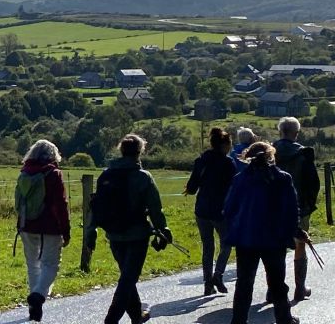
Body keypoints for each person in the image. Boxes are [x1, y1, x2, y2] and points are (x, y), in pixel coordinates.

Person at [222, 142, 304, 324]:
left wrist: (236, 227)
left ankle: (238, 321)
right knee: (277, 283)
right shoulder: (283, 179)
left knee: (244, 283)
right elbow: (292, 210)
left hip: (246, 239)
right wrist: (295, 231)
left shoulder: (240, 179)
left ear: (247, 157)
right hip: (275, 240)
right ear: (271, 156)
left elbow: (228, 209)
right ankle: (284, 319)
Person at [92, 134, 169, 324]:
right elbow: (155, 208)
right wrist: (163, 229)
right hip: (137, 234)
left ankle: (137, 316)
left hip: (114, 234)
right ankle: (111, 319)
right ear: (140, 152)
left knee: (127, 276)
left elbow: (96, 205)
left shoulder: (106, 174)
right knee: (128, 279)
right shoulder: (143, 177)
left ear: (121, 151)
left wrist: (90, 230)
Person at [15, 140, 71, 322]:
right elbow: (60, 204)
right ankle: (38, 296)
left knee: (32, 264)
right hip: (49, 226)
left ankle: (34, 307)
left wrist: (20, 224)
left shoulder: (24, 173)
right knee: (51, 264)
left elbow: (20, 202)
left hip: (27, 225)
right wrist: (66, 229)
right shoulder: (53, 174)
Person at [183, 128, 237, 295]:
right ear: (225, 145)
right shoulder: (228, 163)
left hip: (202, 209)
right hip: (220, 210)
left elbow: (192, 186)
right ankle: (218, 274)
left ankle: (207, 282)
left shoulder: (201, 160)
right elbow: (233, 188)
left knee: (208, 246)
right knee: (226, 244)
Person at [272, 117, 321, 301]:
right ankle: (299, 288)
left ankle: (274, 289)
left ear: (280, 131)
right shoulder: (303, 154)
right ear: (296, 133)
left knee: (276, 249)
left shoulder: (269, 152)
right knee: (300, 244)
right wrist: (309, 204)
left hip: (273, 208)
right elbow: (313, 184)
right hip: (299, 207)